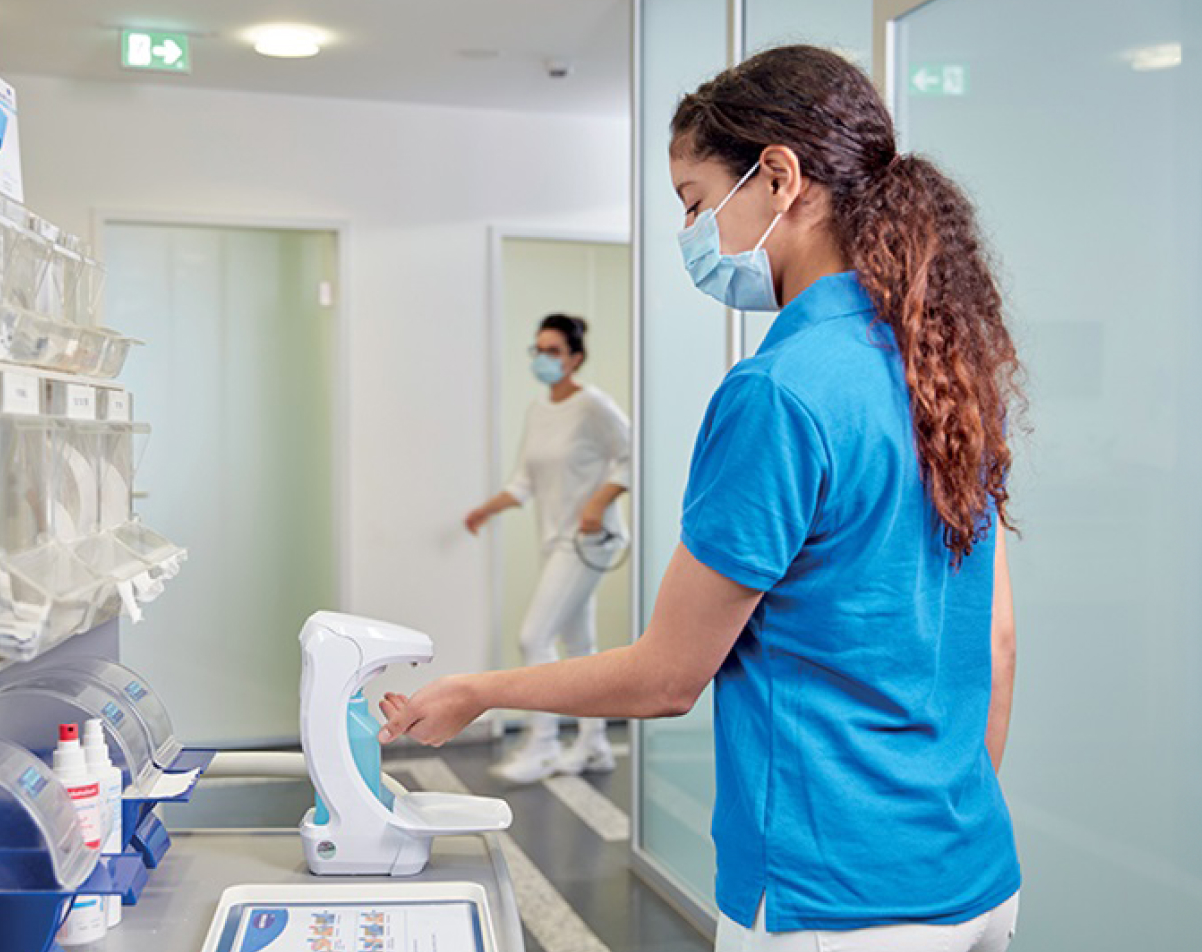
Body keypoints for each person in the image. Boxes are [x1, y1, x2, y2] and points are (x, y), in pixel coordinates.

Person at [383, 46, 1023, 952]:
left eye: (694, 201)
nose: (693, 232)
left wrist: (480, 690)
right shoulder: (940, 369)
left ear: (779, 177)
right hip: (973, 877)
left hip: (831, 901)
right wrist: (934, 838)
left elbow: (666, 677)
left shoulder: (780, 391)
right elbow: (995, 643)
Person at [464, 313, 631, 783]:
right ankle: (594, 743)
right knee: (580, 647)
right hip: (554, 539)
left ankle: (542, 744)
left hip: (588, 541)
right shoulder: (539, 410)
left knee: (534, 637)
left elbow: (633, 452)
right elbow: (523, 481)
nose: (543, 358)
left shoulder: (593, 406)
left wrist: (599, 501)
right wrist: (485, 510)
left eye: (553, 350)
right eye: (538, 349)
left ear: (575, 358)